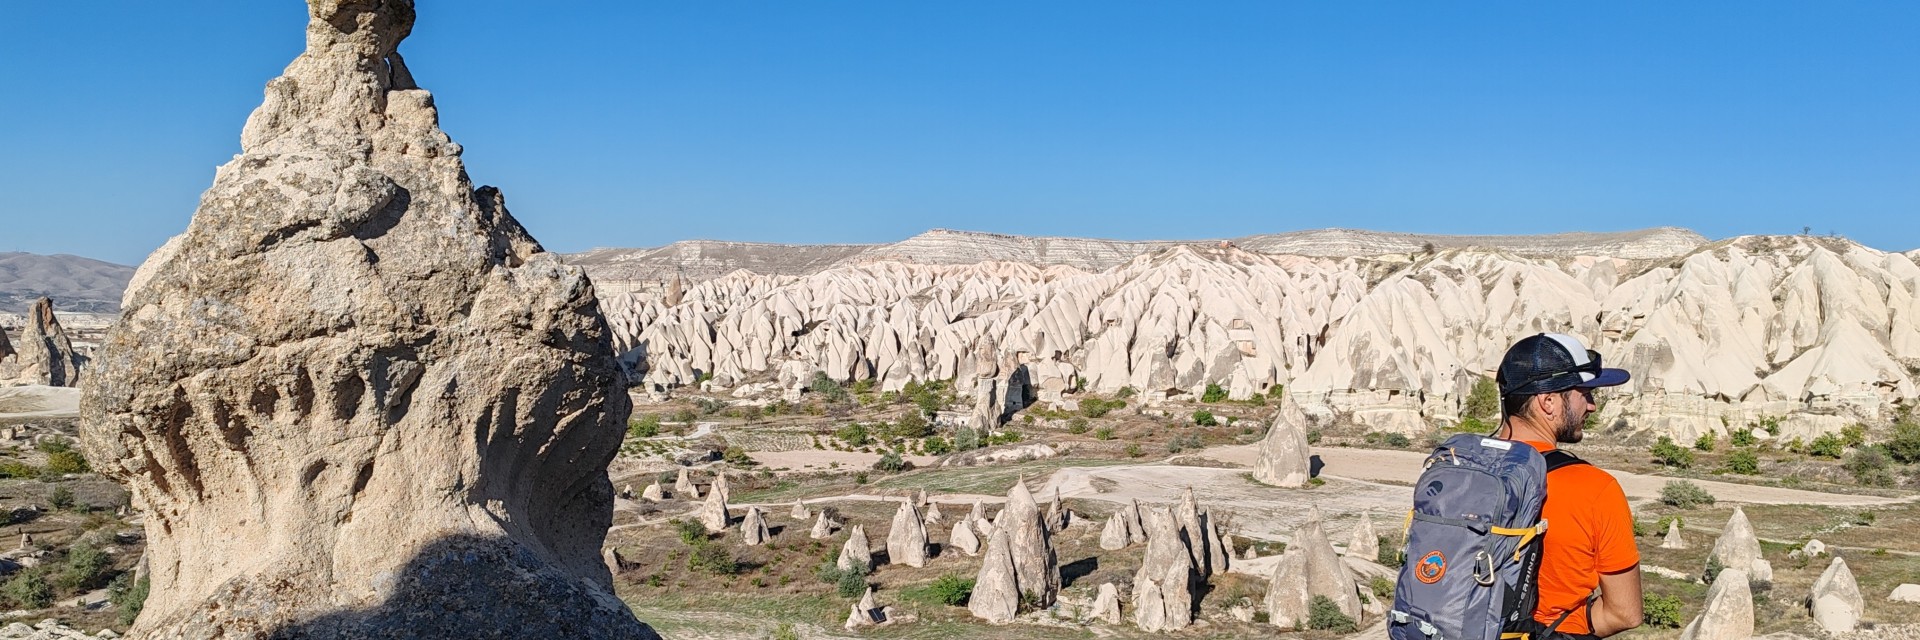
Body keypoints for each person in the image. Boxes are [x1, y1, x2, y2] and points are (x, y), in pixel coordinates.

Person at [1493, 333, 1644, 638]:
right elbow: (1624, 613)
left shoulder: (1455, 466)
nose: (1592, 406)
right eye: (1584, 393)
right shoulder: (1595, 489)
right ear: (1547, 402)